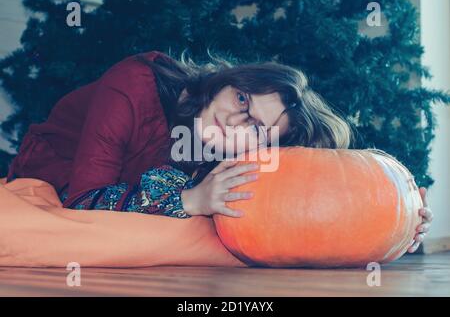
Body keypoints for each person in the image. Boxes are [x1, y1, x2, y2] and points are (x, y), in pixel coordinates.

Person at [6, 50, 431, 253]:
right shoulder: (134, 83)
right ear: (230, 81)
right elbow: (82, 201)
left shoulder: (232, 156)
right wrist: (188, 201)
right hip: (55, 175)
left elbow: (316, 202)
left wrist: (398, 222)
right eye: (242, 99)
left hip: (136, 193)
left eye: (257, 127)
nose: (233, 120)